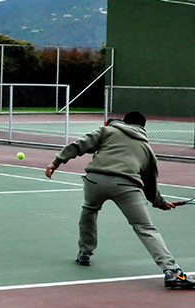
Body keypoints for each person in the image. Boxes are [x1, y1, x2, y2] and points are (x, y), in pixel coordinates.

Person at [45, 111, 194, 289]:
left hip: (95, 180)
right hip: (127, 186)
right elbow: (150, 185)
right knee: (145, 228)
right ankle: (172, 271)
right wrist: (160, 203)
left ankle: (84, 253)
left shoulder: (107, 131)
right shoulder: (147, 150)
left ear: (124, 122)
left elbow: (81, 144)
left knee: (89, 210)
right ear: (142, 128)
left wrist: (57, 162)